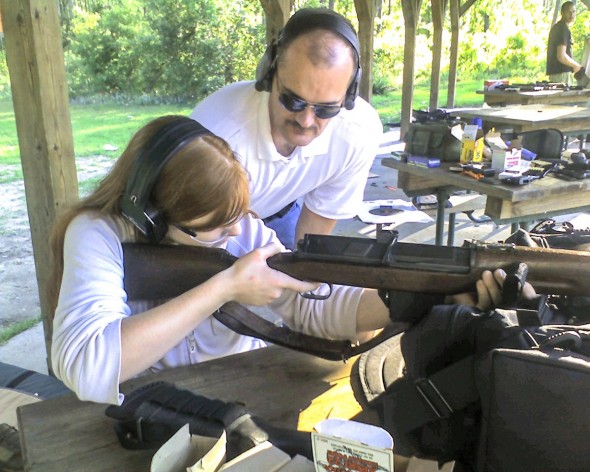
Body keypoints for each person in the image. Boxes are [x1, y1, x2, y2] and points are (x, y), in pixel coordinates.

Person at [48, 116, 519, 405]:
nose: (236, 233)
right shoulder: (98, 234)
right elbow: (88, 369)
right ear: (149, 217)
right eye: (215, 225)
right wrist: (225, 287)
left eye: (238, 214)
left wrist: (418, 297)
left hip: (250, 394)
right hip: (149, 409)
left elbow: (314, 307)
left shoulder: (241, 227)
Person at [190, 8, 383, 250]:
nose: (306, 121)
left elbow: (315, 233)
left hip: (283, 212)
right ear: (269, 74)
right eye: (293, 101)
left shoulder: (357, 134)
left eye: (326, 109)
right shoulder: (218, 133)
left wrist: (305, 279)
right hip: (207, 225)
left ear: (349, 96)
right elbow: (192, 239)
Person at [546, 1, 582, 85]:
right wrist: (576, 66)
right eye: (568, 12)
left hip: (556, 73)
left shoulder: (557, 27)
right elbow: (561, 56)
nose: (571, 14)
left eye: (573, 11)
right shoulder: (563, 29)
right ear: (562, 13)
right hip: (561, 74)